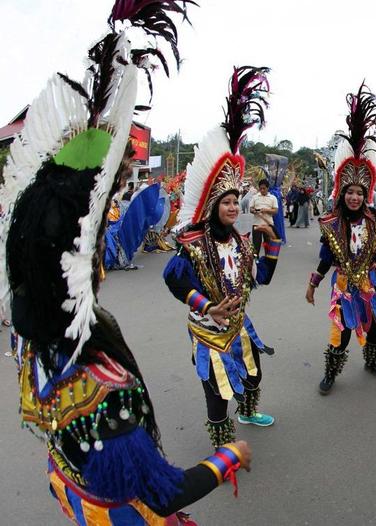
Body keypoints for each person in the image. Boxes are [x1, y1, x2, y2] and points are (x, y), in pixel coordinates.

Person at [0, 2, 253, 523]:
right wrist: (229, 458)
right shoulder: (99, 387)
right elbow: (161, 494)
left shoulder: (34, 339)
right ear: (77, 265)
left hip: (74, 489)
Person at [164, 67, 282, 447]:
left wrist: (274, 244)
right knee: (216, 394)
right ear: (214, 206)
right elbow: (172, 277)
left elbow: (259, 279)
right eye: (227, 203)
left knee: (253, 374)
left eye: (236, 202)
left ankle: (247, 413)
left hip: (239, 326)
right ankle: (222, 445)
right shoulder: (194, 243)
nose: (233, 208)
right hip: (208, 331)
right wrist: (207, 306)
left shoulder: (244, 241)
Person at [305, 83, 376, 395]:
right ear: (342, 193)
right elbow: (326, 257)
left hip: (371, 282)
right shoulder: (331, 223)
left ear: (366, 194)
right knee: (341, 331)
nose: (355, 197)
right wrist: (314, 282)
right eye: (350, 192)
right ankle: (331, 373)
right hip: (343, 284)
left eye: (360, 192)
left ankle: (371, 362)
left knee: (373, 328)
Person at [249, 178, 278, 256]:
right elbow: (251, 209)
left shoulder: (273, 198)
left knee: (268, 246)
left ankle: (267, 263)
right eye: (260, 188)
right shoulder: (255, 197)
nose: (262, 190)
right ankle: (255, 264)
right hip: (257, 224)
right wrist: (254, 211)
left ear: (267, 188)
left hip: (268, 225)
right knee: (256, 246)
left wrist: (266, 210)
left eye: (264, 188)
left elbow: (275, 211)